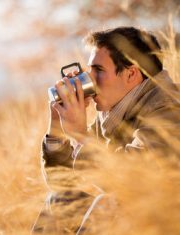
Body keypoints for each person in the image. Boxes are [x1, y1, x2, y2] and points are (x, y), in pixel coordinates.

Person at [32, 26, 180, 234]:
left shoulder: (169, 110)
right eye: (89, 70)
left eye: (98, 70)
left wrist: (80, 135)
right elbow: (61, 182)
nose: (90, 79)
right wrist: (57, 126)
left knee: (107, 206)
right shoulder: (115, 112)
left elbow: (132, 183)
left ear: (131, 74)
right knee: (61, 201)